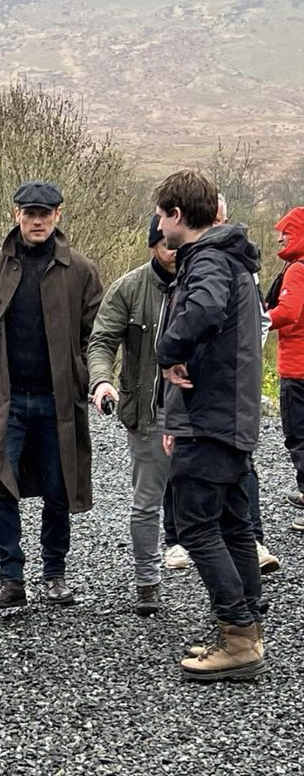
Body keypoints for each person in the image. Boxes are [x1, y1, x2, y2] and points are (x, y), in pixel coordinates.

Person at [0, 181, 102, 609]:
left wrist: (82, 376)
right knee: (1, 485)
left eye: (45, 213)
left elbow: (94, 334)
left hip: (59, 400)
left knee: (60, 486)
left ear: (59, 215)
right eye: (29, 212)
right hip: (5, 399)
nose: (37, 220)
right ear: (16, 214)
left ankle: (55, 573)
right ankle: (11, 578)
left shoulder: (80, 270)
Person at [154, 170, 265, 681]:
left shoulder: (210, 259)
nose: (159, 224)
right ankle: (246, 627)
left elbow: (203, 311)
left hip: (210, 417)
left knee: (197, 524)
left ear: (177, 215)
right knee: (233, 524)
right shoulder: (233, 258)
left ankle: (238, 636)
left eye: (161, 214)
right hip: (234, 415)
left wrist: (167, 352)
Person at [87, 215, 176, 616]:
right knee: (147, 502)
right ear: (153, 245)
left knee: (207, 499)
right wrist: (102, 382)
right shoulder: (129, 288)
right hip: (148, 412)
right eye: (167, 246)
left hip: (198, 412)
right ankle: (147, 581)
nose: (175, 253)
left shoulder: (203, 283)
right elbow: (102, 341)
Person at [266, 205, 304, 529]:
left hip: (296, 366)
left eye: (285, 233)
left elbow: (289, 312)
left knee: (298, 435)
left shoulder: (297, 270)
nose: (279, 238)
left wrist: (258, 321)